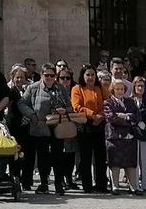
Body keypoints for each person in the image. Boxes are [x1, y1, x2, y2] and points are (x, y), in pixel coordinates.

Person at [23, 65, 74, 195]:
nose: (49, 78)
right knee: (42, 157)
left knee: (58, 156)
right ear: (41, 75)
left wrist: (64, 110)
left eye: (52, 75)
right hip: (40, 126)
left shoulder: (60, 88)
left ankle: (58, 183)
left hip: (57, 126)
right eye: (47, 75)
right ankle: (44, 183)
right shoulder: (33, 88)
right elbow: (22, 103)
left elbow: (70, 107)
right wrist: (32, 115)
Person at [71, 65, 107, 193]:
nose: (90, 77)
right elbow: (77, 106)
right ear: (83, 76)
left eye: (92, 74)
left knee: (101, 157)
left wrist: (100, 116)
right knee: (85, 158)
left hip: (99, 125)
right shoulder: (77, 89)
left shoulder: (100, 88)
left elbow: (108, 103)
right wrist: (93, 115)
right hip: (84, 126)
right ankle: (87, 185)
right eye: (88, 75)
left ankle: (101, 184)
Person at [103, 77, 138, 193]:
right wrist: (128, 119)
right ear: (113, 90)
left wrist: (124, 116)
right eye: (117, 89)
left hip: (130, 137)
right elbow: (111, 118)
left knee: (131, 163)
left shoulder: (130, 101)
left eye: (122, 89)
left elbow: (137, 116)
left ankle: (133, 186)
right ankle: (115, 186)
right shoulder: (108, 102)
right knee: (115, 162)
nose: (120, 91)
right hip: (114, 137)